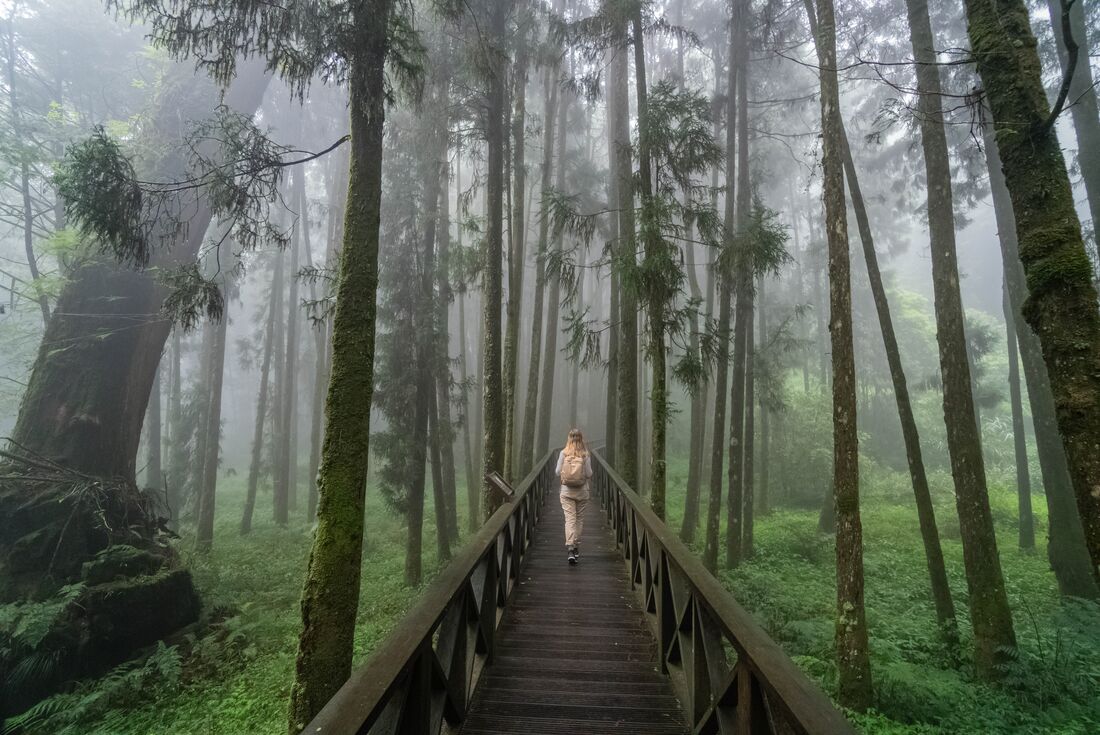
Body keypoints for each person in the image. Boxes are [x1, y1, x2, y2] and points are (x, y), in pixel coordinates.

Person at [555, 428, 593, 565]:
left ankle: (570, 548)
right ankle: (576, 546)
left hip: (566, 492)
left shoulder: (563, 453)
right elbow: (589, 474)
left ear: (569, 439)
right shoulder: (585, 454)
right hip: (582, 492)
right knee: (579, 519)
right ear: (581, 439)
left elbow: (558, 472)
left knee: (569, 519)